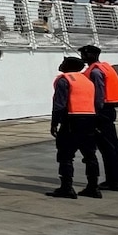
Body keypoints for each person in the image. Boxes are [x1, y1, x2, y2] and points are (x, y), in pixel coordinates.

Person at [48, 55, 104, 199]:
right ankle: (93, 187)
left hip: (71, 121)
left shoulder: (64, 79)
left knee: (65, 156)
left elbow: (59, 104)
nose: (61, 65)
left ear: (68, 66)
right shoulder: (87, 80)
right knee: (90, 156)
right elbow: (97, 102)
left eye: (63, 62)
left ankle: (67, 188)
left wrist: (54, 123)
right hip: (90, 120)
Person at [80, 43, 118, 191]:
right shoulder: (106, 67)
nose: (82, 57)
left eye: (83, 54)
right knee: (114, 146)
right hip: (109, 110)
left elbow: (99, 95)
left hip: (101, 112)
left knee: (106, 148)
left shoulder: (96, 72)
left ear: (90, 55)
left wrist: (94, 113)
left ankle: (114, 181)